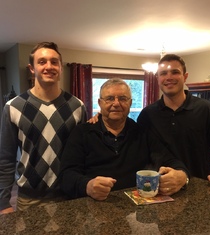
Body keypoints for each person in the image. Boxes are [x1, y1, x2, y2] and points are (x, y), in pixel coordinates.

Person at [60, 78, 190, 201]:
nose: (116, 103)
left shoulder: (143, 132)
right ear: (100, 103)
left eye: (122, 98)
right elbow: (66, 175)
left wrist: (182, 176)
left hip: (135, 211)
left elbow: (169, 159)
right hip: (93, 207)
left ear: (130, 103)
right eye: (109, 98)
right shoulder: (81, 133)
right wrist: (87, 186)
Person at [0, 42, 87, 214]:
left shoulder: (77, 106)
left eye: (54, 62)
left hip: (69, 196)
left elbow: (83, 153)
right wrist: (3, 203)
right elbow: (5, 160)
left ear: (61, 68)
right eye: (42, 62)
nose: (49, 66)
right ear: (32, 68)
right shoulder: (13, 107)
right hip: (29, 199)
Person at [137, 54, 210, 188]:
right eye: (163, 73)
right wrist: (100, 118)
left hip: (198, 190)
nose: (169, 77)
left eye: (175, 72)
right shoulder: (147, 115)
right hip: (158, 190)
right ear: (158, 79)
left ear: (185, 76)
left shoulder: (206, 109)